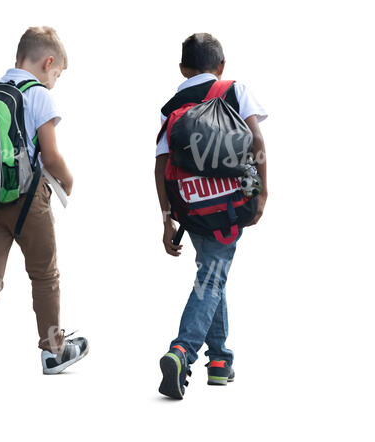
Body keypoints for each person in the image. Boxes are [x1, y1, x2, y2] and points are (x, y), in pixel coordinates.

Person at [0, 26, 88, 387]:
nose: (55, 80)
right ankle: (53, 350)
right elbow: (50, 154)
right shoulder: (38, 95)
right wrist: (68, 181)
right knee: (45, 275)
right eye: (57, 73)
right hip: (28, 200)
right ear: (48, 63)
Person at [154, 33, 268, 399]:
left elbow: (160, 164)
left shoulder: (172, 104)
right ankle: (183, 350)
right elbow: (257, 142)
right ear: (221, 66)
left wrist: (167, 217)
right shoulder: (234, 89)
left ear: (183, 69)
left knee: (213, 274)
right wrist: (262, 194)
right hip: (230, 204)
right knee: (213, 278)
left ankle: (220, 361)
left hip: (191, 207)